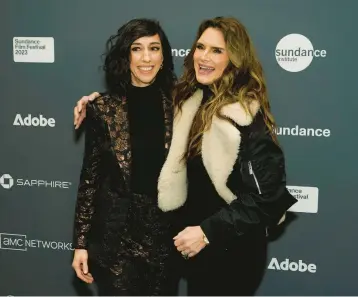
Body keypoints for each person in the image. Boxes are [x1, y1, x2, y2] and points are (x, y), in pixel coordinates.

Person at [74, 16, 297, 296]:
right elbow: (94, 175)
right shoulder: (190, 100)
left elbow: (268, 198)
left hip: (229, 252)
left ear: (235, 58)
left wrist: (207, 232)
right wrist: (94, 102)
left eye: (217, 50)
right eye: (201, 47)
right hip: (187, 250)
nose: (204, 56)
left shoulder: (246, 115)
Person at [71, 18, 177, 296]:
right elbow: (90, 178)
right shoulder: (102, 109)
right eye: (136, 48)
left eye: (154, 48)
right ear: (125, 56)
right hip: (116, 237)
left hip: (165, 235)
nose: (146, 57)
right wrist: (80, 243)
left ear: (163, 56)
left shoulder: (181, 105)